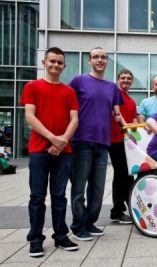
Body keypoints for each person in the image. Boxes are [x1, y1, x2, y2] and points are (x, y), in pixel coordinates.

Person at [20, 47, 79, 257]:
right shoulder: (32, 86)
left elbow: (74, 119)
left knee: (59, 196)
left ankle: (61, 236)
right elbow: (29, 116)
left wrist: (62, 141)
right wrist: (53, 138)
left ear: (64, 66)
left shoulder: (69, 91)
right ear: (44, 62)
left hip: (64, 151)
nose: (55, 65)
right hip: (39, 150)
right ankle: (35, 239)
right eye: (52, 61)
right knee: (37, 196)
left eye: (59, 62)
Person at [69, 47, 125, 241]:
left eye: (103, 57)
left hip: (103, 143)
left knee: (98, 187)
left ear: (107, 61)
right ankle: (77, 226)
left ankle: (90, 222)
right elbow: (68, 106)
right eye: (96, 57)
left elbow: (116, 113)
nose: (100, 60)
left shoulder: (112, 87)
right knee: (79, 187)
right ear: (89, 60)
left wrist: (130, 128)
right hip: (82, 140)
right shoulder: (78, 81)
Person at [109, 69, 138, 224]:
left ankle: (130, 206)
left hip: (128, 142)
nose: (126, 80)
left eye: (128, 78)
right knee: (120, 175)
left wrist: (137, 127)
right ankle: (117, 211)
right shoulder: (114, 94)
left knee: (128, 175)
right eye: (123, 78)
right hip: (115, 140)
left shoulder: (131, 101)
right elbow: (116, 116)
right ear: (118, 79)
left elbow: (132, 118)